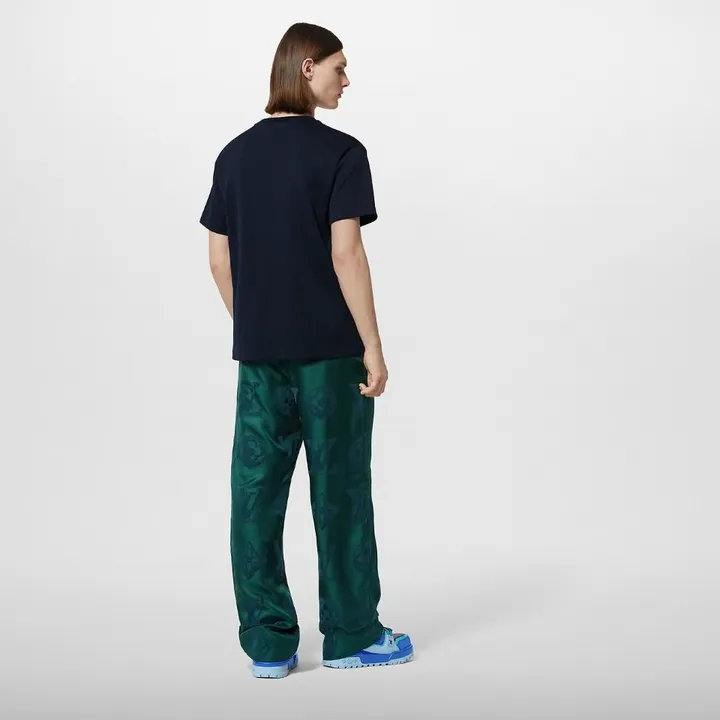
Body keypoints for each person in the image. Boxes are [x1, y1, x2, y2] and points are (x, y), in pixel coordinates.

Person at [199, 22, 414, 679]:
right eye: (339, 68)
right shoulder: (342, 152)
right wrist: (373, 345)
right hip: (330, 356)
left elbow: (218, 260)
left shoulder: (234, 156)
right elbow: (346, 252)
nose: (347, 81)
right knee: (340, 492)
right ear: (307, 67)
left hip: (261, 358)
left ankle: (268, 647)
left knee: (255, 495)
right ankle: (351, 635)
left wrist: (256, 322)